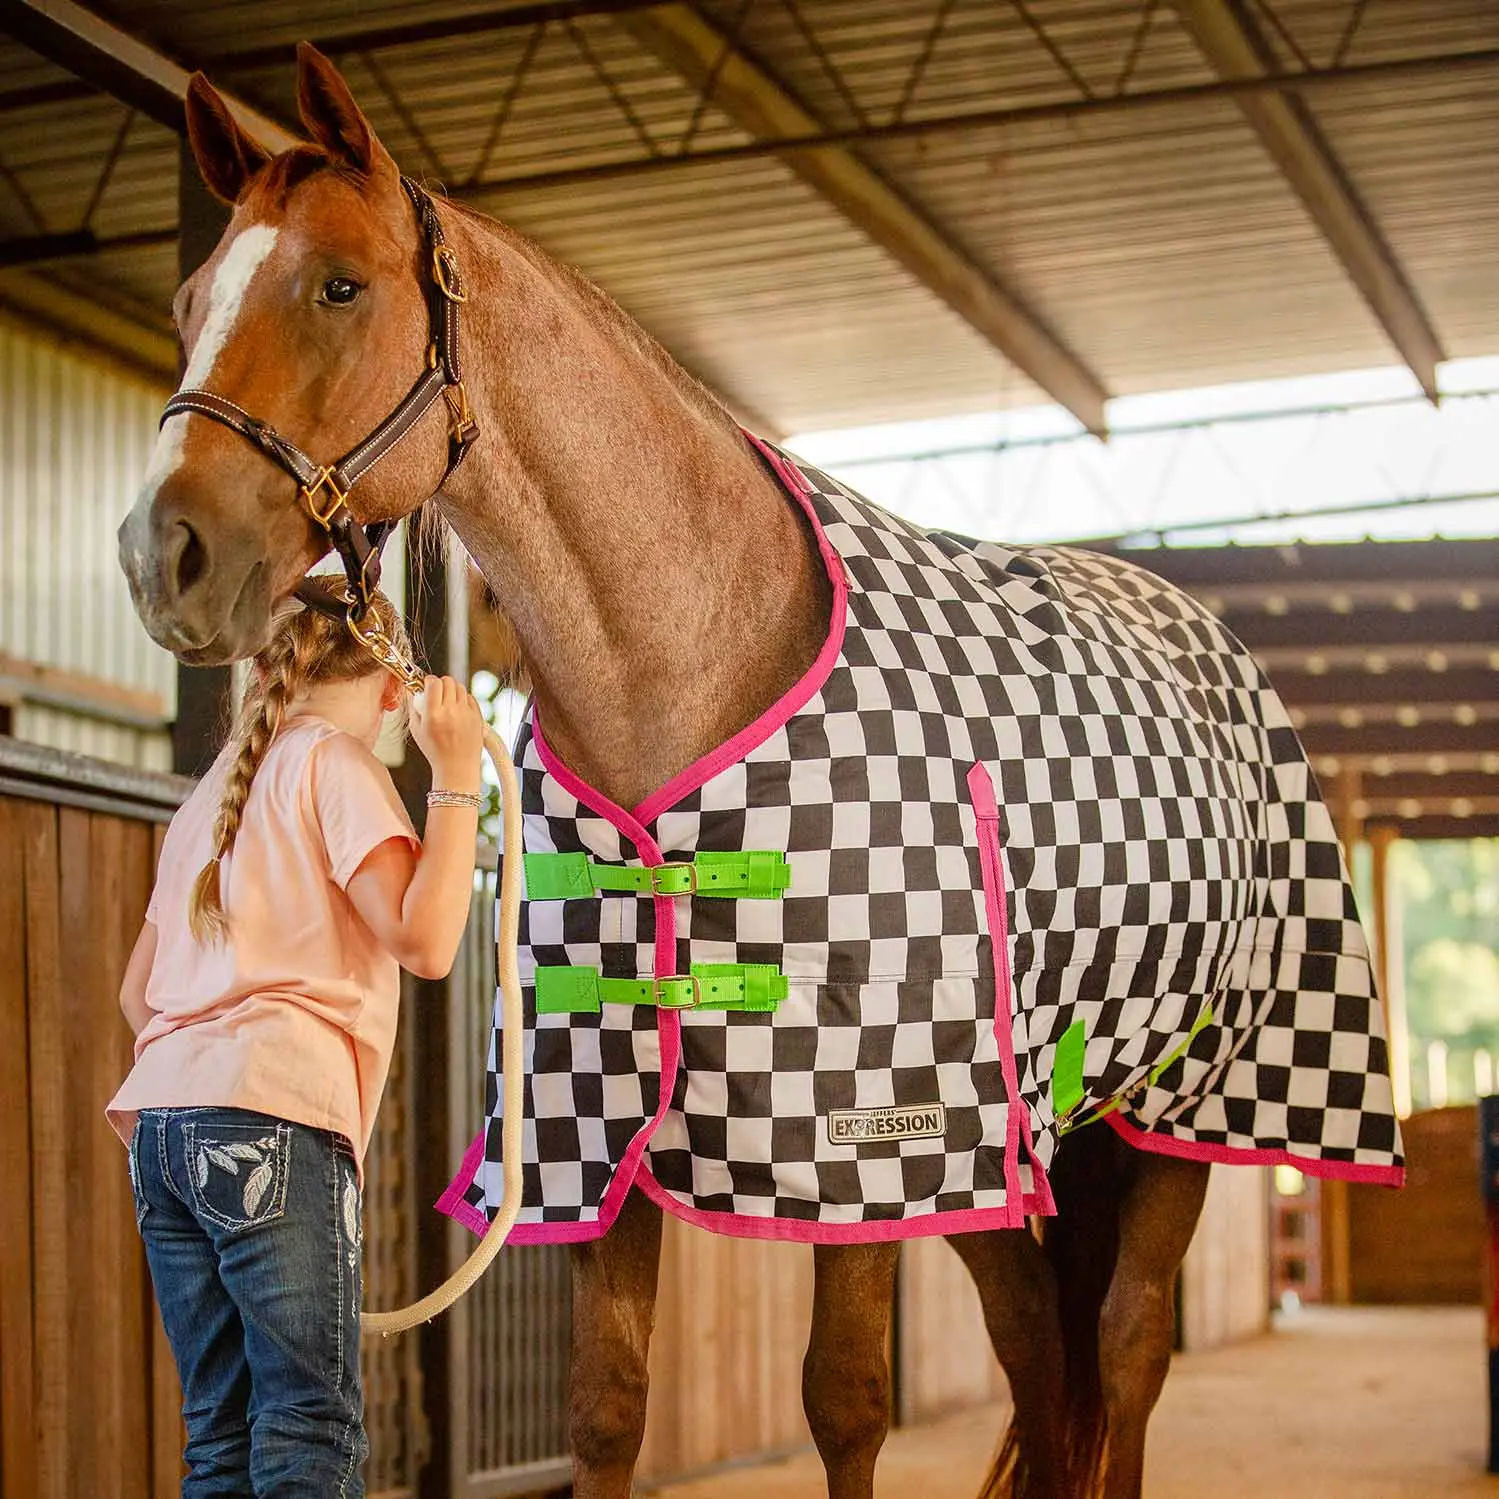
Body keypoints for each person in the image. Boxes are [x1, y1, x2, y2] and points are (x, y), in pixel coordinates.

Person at [107, 590, 486, 1496]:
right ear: (392, 690)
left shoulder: (209, 796)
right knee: (307, 1424)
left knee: (221, 1434)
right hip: (272, 1114)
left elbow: (135, 993)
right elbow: (427, 942)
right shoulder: (337, 764)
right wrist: (458, 774)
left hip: (160, 1126)